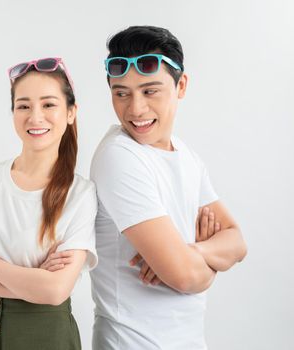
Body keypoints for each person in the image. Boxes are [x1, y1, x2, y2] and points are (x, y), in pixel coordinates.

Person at [89, 26, 248, 349]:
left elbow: (237, 242)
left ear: (181, 85)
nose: (135, 109)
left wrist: (194, 251)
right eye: (121, 93)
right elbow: (186, 277)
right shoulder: (119, 157)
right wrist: (202, 264)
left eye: (150, 91)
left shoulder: (186, 156)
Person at [0, 57, 98, 350]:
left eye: (49, 105)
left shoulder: (80, 194)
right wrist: (29, 284)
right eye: (23, 106)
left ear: (71, 112)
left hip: (47, 338)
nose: (35, 117)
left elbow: (54, 290)